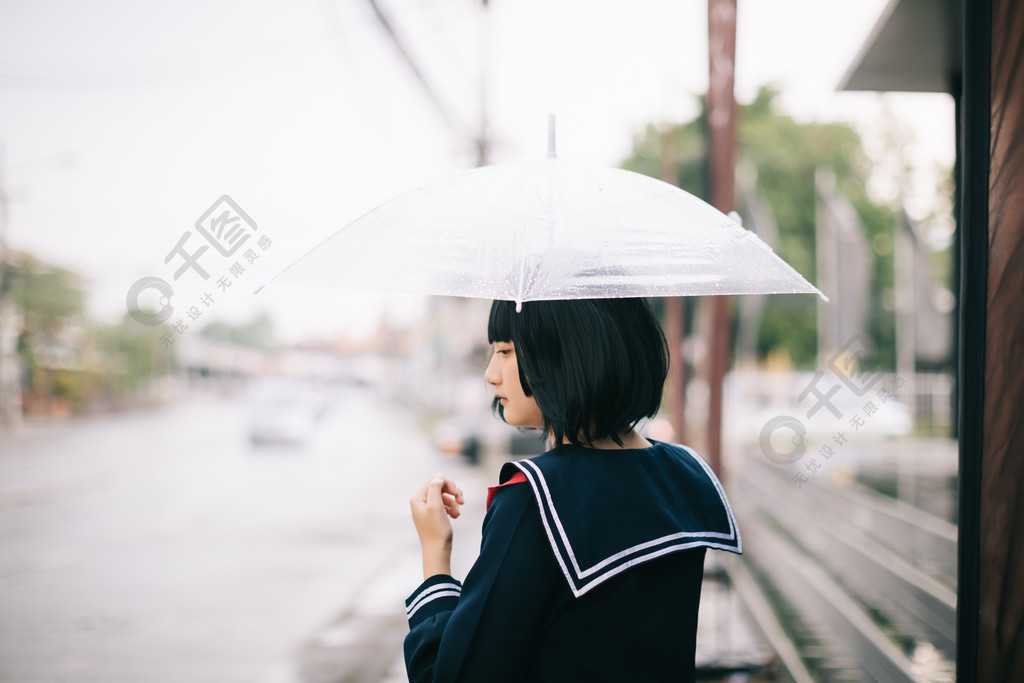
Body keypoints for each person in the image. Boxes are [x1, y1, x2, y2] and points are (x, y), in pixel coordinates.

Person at [405, 298, 741, 683]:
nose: (490, 374)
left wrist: (435, 556)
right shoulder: (683, 474)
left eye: (504, 351)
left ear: (563, 353)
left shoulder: (536, 501)